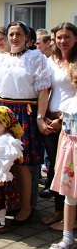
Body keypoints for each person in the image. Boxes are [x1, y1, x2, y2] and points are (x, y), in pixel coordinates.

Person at [0, 21, 51, 225]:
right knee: (3, 160)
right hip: (3, 111)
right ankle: (8, 204)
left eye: (18, 34)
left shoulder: (36, 57)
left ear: (27, 37)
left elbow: (43, 89)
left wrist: (39, 117)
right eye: (11, 34)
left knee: (23, 162)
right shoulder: (0, 58)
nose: (14, 38)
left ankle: (26, 207)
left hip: (24, 111)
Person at [43, 22, 77, 231]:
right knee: (56, 170)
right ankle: (59, 212)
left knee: (71, 171)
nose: (62, 41)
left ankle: (71, 219)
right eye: (59, 37)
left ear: (75, 38)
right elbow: (45, 90)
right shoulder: (51, 61)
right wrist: (42, 117)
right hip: (50, 120)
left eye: (67, 37)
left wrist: (61, 120)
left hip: (70, 123)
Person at [50, 63, 77, 249]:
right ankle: (67, 237)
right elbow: (63, 133)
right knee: (69, 197)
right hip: (70, 155)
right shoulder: (68, 104)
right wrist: (59, 157)